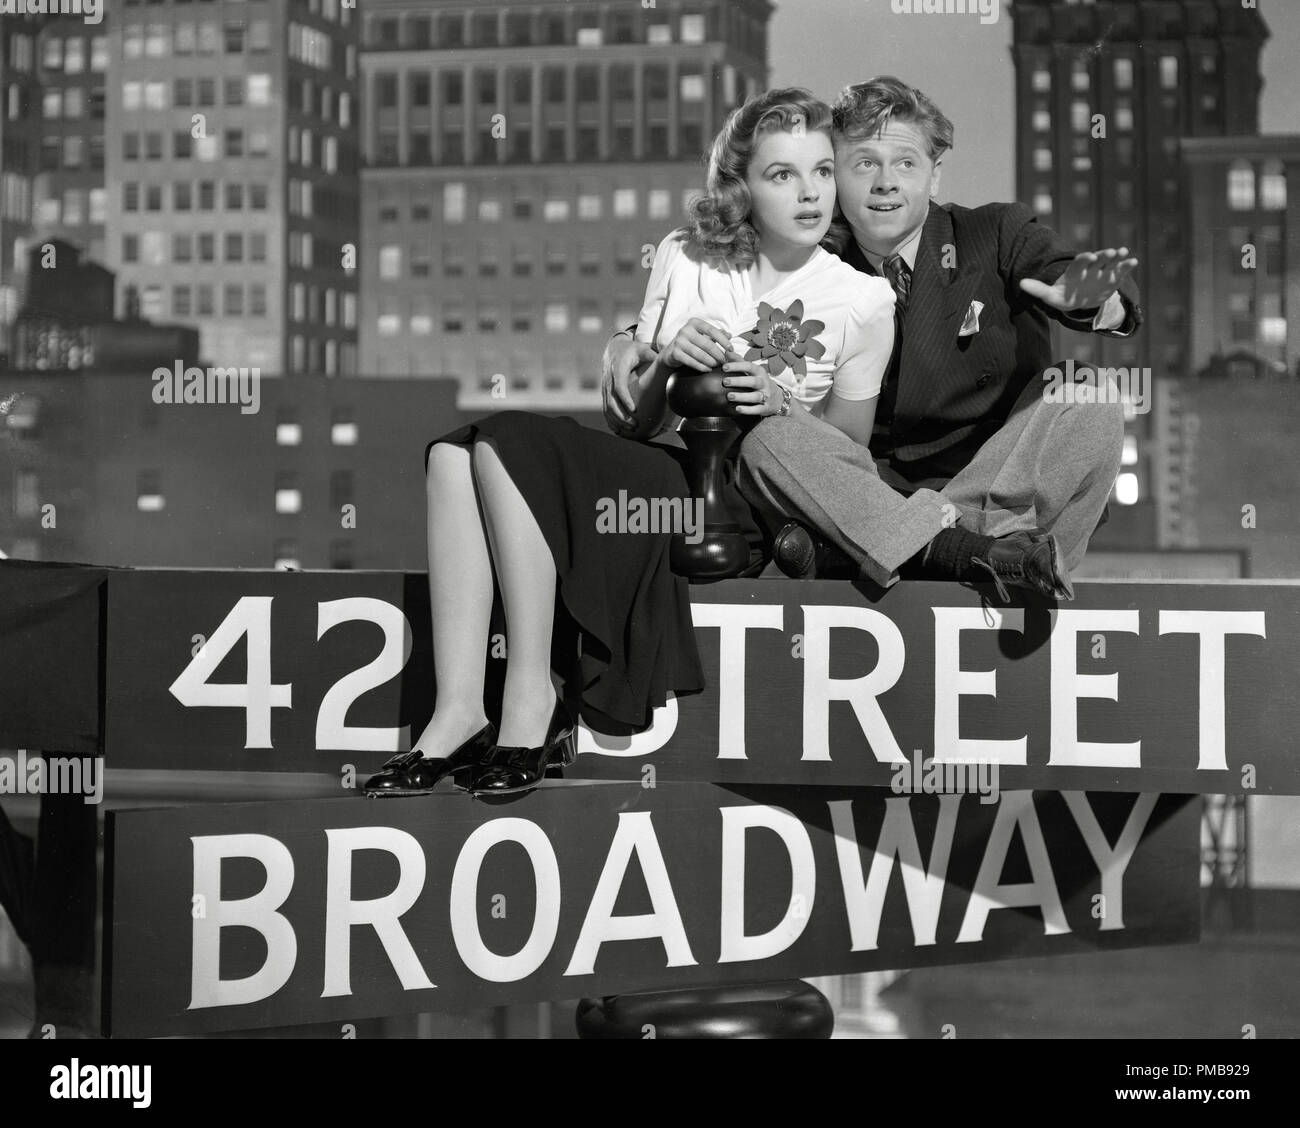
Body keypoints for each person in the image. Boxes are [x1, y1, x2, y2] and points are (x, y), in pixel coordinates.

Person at [364, 88, 893, 800]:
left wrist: (784, 404)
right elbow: (634, 426)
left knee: (509, 443)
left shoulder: (862, 299)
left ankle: (531, 700)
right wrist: (667, 358)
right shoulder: (685, 257)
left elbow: (849, 462)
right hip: (668, 469)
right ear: (740, 187)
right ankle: (457, 710)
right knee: (459, 453)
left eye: (822, 171)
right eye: (782, 174)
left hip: (749, 502)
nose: (810, 193)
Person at [603, 76, 1143, 600]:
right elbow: (719, 300)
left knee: (1087, 393)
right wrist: (631, 340)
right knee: (771, 441)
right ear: (838, 174)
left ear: (934, 176)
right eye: (864, 165)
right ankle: (968, 556)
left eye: (906, 164)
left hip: (999, 480)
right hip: (863, 491)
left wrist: (1094, 300)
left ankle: (926, 550)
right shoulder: (815, 258)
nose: (886, 183)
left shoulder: (995, 232)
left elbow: (1070, 275)